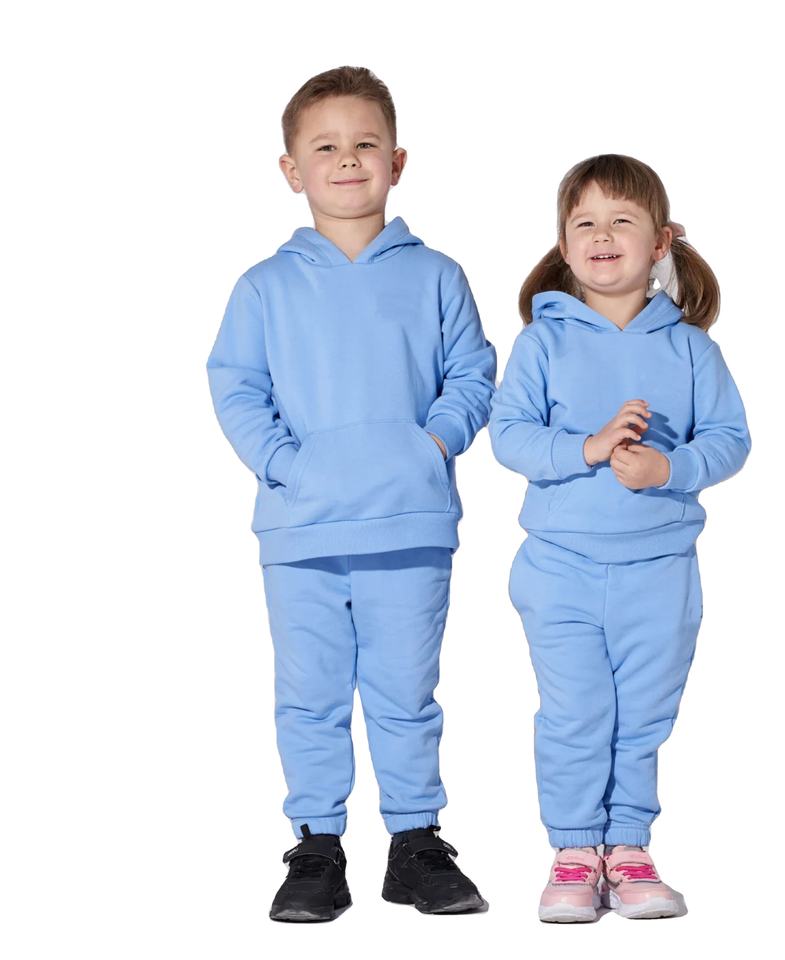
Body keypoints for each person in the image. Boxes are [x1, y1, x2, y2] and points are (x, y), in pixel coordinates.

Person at [206, 66, 495, 921]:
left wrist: (429, 447)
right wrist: (286, 466)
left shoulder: (437, 275)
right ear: (291, 169)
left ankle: (415, 842)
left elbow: (472, 374)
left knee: (406, 693)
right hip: (303, 531)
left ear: (397, 162)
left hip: (410, 525)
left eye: (366, 143)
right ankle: (316, 847)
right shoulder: (264, 286)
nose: (347, 159)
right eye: (325, 146)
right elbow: (236, 386)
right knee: (311, 696)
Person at [489, 154, 750, 922]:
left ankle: (629, 848)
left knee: (641, 717)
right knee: (576, 713)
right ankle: (575, 851)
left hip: (660, 572)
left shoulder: (692, 349)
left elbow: (730, 440)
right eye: (586, 223)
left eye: (622, 220)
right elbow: (509, 436)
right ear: (564, 246)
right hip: (560, 568)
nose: (603, 236)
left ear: (660, 241)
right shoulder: (541, 343)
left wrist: (670, 468)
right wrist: (588, 448)